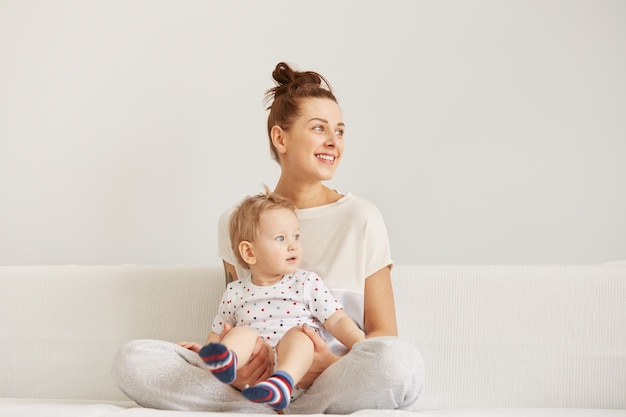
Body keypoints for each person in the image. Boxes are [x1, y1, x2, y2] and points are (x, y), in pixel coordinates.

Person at [111, 61, 424, 414]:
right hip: (254, 379)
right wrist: (234, 373)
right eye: (319, 128)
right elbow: (236, 315)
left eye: (339, 131)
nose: (333, 142)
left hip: (333, 380)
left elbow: (383, 335)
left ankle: (289, 405)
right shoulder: (237, 222)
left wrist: (327, 367)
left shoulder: (361, 217)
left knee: (400, 364)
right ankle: (261, 400)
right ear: (280, 138)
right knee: (132, 360)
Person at [191, 188, 364, 411]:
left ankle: (282, 381)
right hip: (252, 374)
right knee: (240, 334)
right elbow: (217, 332)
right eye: (281, 238)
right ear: (249, 253)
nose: (293, 245)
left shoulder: (306, 282)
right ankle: (227, 363)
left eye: (296, 236)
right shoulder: (235, 291)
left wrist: (361, 348)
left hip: (300, 374)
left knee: (301, 336)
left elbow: (337, 320)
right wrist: (204, 355)